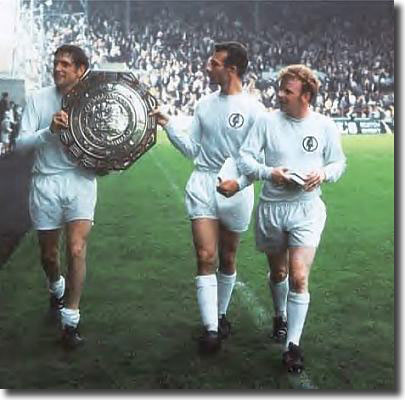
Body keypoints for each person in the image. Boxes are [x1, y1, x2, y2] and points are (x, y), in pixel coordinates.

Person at [218, 64, 346, 372]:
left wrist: (323, 173)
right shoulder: (266, 121)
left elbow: (339, 162)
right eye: (280, 89)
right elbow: (245, 159)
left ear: (306, 96)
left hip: (306, 208)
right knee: (279, 273)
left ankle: (292, 346)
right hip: (273, 208)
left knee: (299, 275)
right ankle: (280, 315)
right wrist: (269, 173)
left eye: (287, 91)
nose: (280, 95)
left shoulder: (324, 126)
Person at [151, 41, 264, 354]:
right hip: (203, 184)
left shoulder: (255, 110)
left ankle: (222, 314)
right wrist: (169, 125)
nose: (207, 67)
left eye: (214, 63)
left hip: (236, 189)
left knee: (228, 258)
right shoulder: (204, 104)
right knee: (205, 256)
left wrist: (239, 183)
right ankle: (211, 329)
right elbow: (191, 149)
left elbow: (258, 162)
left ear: (232, 69)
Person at [15, 44, 96, 349]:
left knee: (76, 249)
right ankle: (56, 287)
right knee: (49, 256)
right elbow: (20, 145)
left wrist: (104, 163)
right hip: (45, 182)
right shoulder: (38, 99)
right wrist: (48, 130)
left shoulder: (94, 102)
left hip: (80, 182)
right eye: (56, 63)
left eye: (65, 64)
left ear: (80, 70)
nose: (58, 68)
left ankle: (70, 322)